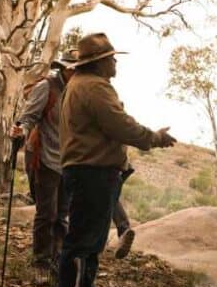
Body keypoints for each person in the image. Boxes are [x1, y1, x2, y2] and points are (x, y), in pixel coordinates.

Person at [57, 33, 176, 287]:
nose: (115, 63)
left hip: (89, 172)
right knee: (83, 245)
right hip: (92, 174)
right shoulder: (94, 88)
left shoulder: (80, 85)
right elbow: (120, 125)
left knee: (91, 245)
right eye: (111, 58)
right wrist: (155, 138)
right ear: (98, 63)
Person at [10, 50, 136, 271]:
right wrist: (21, 131)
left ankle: (58, 259)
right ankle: (41, 261)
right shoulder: (46, 88)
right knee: (46, 213)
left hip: (71, 162)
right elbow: (28, 117)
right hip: (46, 158)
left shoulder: (83, 91)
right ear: (67, 69)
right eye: (76, 69)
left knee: (62, 215)